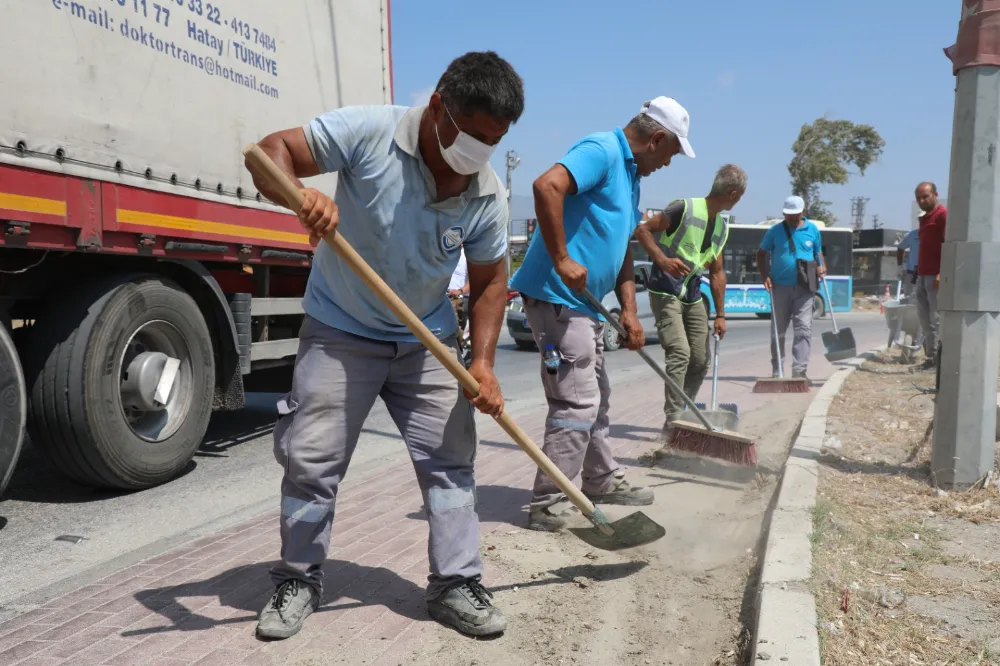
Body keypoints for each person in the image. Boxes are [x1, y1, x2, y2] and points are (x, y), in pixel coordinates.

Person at [243, 51, 524, 640]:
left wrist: (482, 363)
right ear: (439, 106)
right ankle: (298, 577)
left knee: (451, 465)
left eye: (493, 141)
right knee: (312, 461)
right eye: (473, 134)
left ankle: (455, 584)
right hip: (341, 329)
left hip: (427, 341)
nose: (480, 152)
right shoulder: (369, 131)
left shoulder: (486, 192)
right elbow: (268, 154)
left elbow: (491, 280)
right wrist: (301, 195)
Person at [510, 96, 694, 532]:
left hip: (586, 305)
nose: (667, 164)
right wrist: (560, 257)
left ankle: (601, 478)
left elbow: (622, 247)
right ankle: (549, 502)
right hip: (558, 299)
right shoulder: (602, 151)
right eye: (670, 155)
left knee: (597, 395)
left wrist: (630, 310)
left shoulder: (630, 175)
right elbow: (545, 186)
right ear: (657, 138)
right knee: (576, 400)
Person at [633, 165, 747, 443]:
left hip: (692, 293)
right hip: (665, 290)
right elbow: (643, 230)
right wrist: (662, 260)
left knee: (700, 359)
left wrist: (721, 314)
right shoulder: (683, 208)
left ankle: (685, 412)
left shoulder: (721, 226)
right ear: (733, 193)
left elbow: (717, 272)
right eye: (741, 195)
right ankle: (674, 421)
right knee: (680, 353)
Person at [756, 195, 826, 380]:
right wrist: (765, 276)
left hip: (805, 288)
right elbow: (761, 253)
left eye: (794, 214)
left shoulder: (813, 230)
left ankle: (799, 371)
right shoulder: (774, 231)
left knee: (803, 329)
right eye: (787, 214)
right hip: (780, 288)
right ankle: (777, 369)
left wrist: (821, 266)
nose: (790, 218)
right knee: (778, 331)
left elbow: (818, 252)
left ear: (802, 212)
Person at [448, 247, 471, 365]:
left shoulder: (466, 256)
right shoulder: (445, 255)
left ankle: (459, 356)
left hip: (459, 299)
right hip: (444, 297)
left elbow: (473, 280)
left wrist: (460, 291)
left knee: (456, 330)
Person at [896, 226, 920, 298]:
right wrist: (899, 267)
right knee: (909, 298)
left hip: (928, 273)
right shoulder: (913, 234)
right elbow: (900, 248)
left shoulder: (933, 234)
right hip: (913, 272)